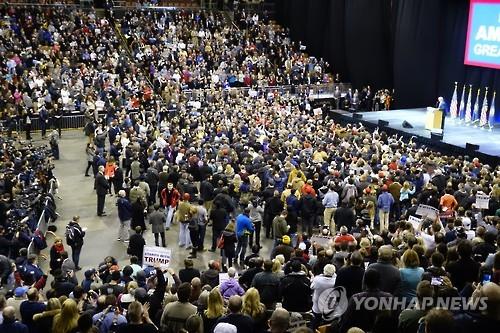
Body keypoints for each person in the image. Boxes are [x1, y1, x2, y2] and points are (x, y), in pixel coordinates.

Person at [310, 264, 336, 330]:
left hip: (317, 306)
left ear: (324, 271)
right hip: (329, 306)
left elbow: (311, 287)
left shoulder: (317, 279)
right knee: (327, 325)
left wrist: (313, 276)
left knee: (315, 323)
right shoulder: (335, 280)